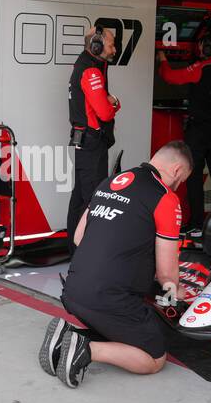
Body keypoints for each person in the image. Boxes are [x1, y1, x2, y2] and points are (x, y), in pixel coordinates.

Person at [40, 142, 192, 388]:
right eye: (182, 179)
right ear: (176, 170)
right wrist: (178, 293)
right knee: (154, 357)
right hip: (109, 297)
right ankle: (86, 349)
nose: (179, 186)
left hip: (74, 290)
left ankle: (67, 337)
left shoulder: (110, 182)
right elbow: (167, 276)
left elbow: (78, 239)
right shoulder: (165, 198)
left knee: (123, 328)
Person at [155, 35, 211, 238]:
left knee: (193, 176)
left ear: (208, 48)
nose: (199, 52)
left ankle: (196, 224)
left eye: (201, 48)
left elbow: (171, 77)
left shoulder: (203, 67)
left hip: (198, 130)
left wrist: (163, 59)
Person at [67, 24, 120, 250]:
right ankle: (88, 253)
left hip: (86, 141)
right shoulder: (90, 71)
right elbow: (105, 112)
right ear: (96, 46)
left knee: (80, 197)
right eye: (111, 45)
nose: (114, 49)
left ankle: (75, 250)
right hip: (91, 142)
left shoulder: (89, 65)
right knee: (93, 200)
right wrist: (115, 103)